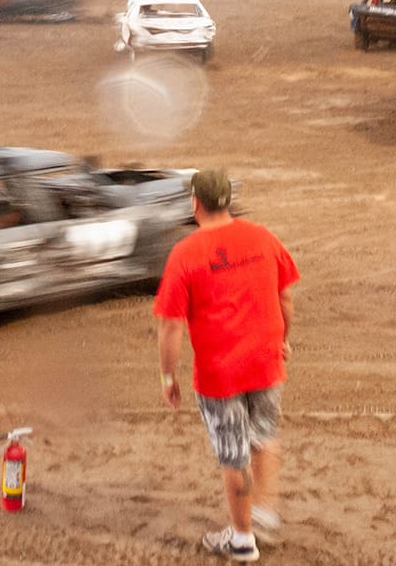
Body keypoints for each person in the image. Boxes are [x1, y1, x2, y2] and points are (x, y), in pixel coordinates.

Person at [155, 170, 299, 562]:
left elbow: (170, 325)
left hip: (221, 373)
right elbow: (284, 295)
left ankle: (241, 538)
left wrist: (169, 376)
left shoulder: (186, 253)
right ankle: (264, 514)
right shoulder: (262, 237)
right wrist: (283, 338)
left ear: (195, 203)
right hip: (266, 360)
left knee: (232, 454)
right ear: (228, 201)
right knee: (263, 436)